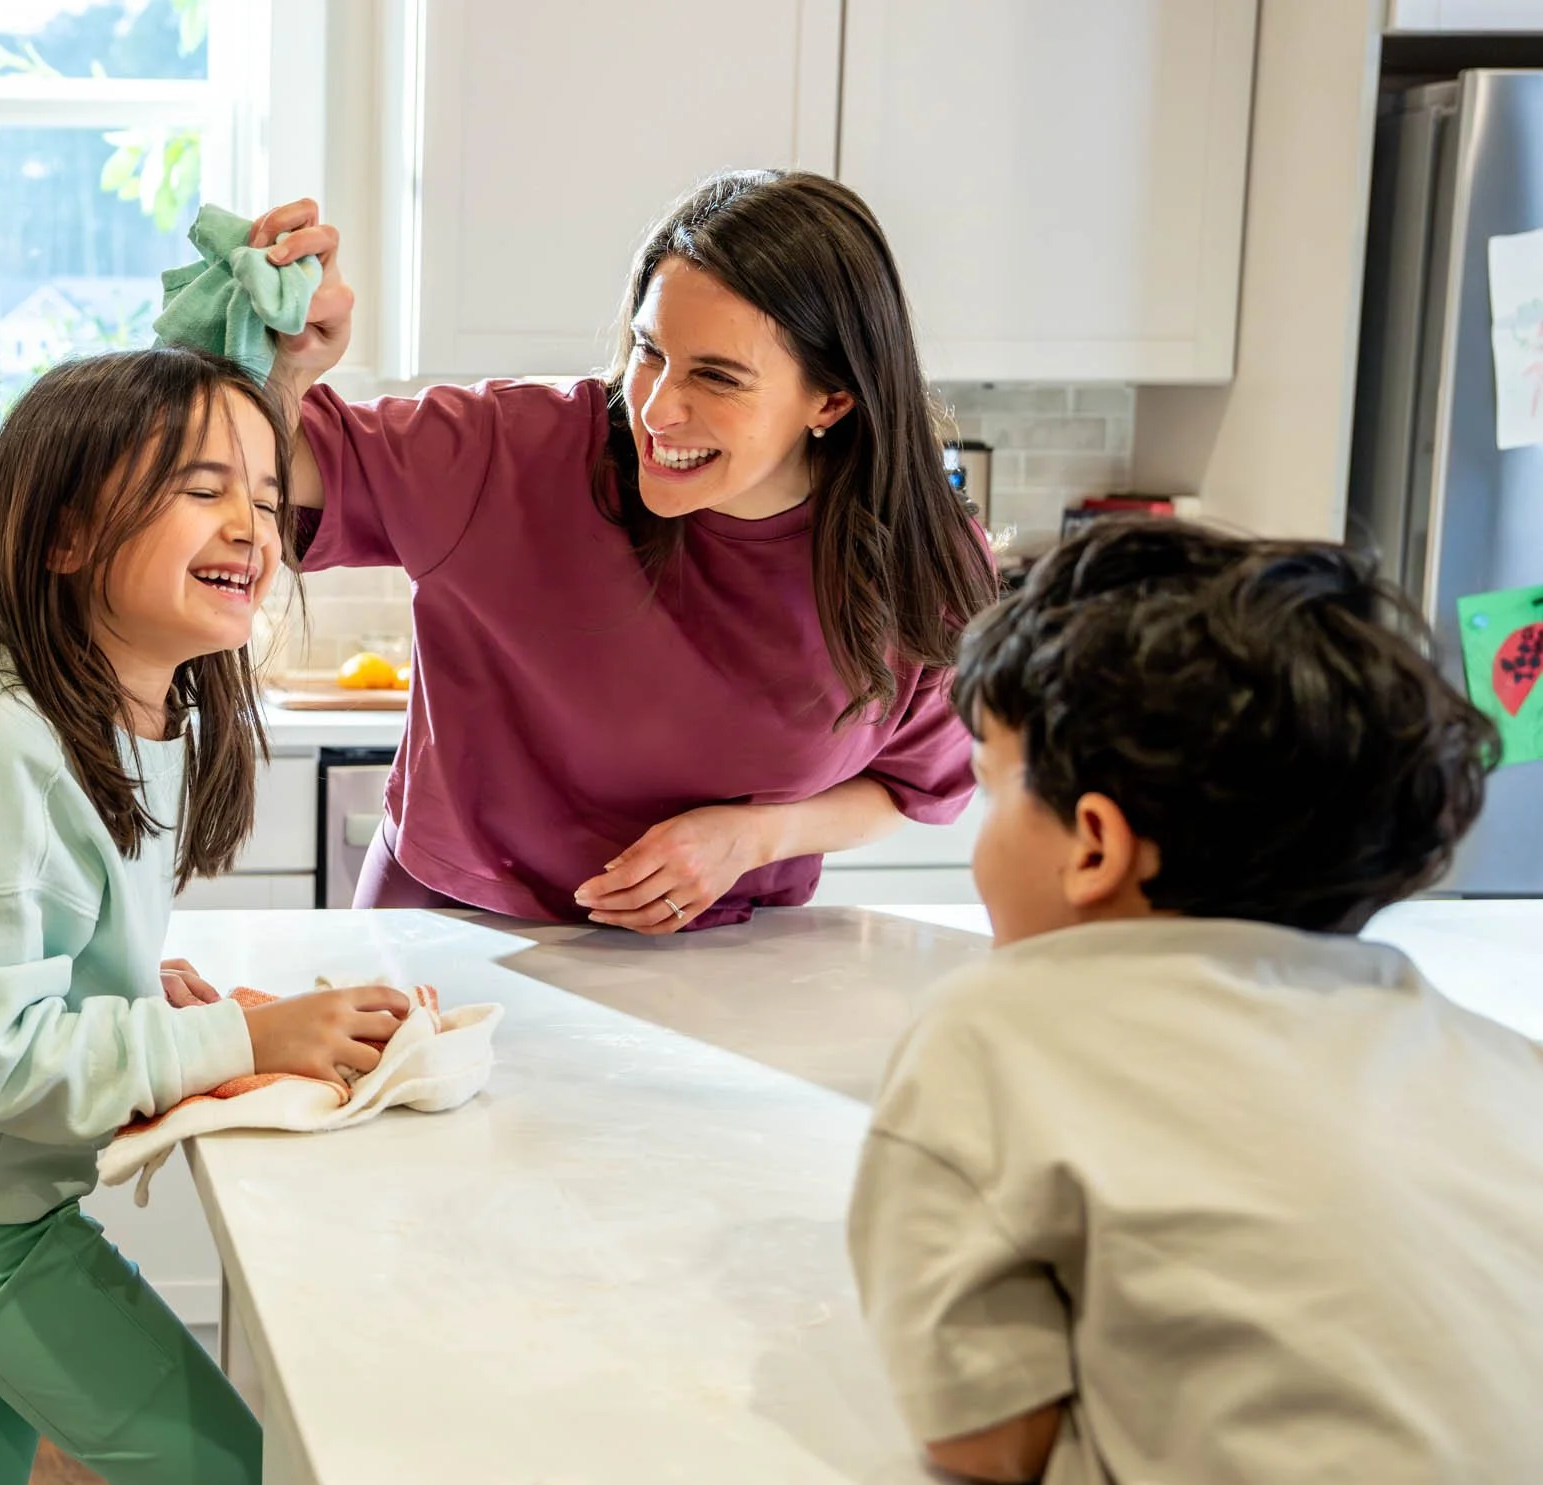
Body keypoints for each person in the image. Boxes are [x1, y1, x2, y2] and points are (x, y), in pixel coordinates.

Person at [847, 517, 1543, 1485]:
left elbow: (989, 1430)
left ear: (1094, 845)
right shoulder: (1496, 1060)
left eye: (987, 787)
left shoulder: (1002, 1024)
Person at [0, 345, 413, 1485]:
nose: (253, 526)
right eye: (204, 487)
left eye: (265, 494)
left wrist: (136, 986)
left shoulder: (127, 703)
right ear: (72, 532)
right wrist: (238, 1040)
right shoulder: (0, 744)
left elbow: (39, 949)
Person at [246, 170, 997, 932]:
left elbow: (910, 785)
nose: (658, 408)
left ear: (830, 400)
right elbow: (276, 465)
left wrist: (755, 837)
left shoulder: (923, 565)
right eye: (649, 350)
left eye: (717, 376)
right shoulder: (511, 452)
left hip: (729, 953)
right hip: (449, 930)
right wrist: (289, 367)